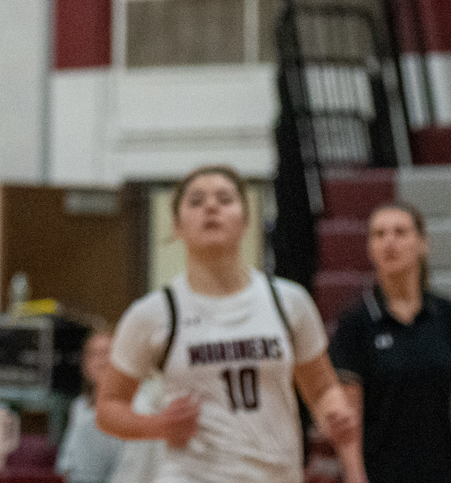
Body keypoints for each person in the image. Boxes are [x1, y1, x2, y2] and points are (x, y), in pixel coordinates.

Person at [96, 165, 367, 483]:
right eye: (196, 201)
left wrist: (334, 416)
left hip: (277, 474)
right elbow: (108, 408)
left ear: (246, 221)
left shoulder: (288, 301)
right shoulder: (154, 313)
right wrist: (158, 426)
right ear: (177, 226)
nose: (211, 207)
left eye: (224, 199)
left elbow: (321, 388)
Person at [328, 202, 451, 483]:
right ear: (369, 249)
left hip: (443, 474)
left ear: (423, 244)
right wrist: (355, 476)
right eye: (379, 234)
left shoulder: (449, 316)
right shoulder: (354, 323)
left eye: (400, 232)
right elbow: (350, 413)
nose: (389, 241)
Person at [57, 330, 124, 483]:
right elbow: (66, 464)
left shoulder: (135, 408)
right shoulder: (79, 407)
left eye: (106, 353)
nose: (101, 361)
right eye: (93, 354)